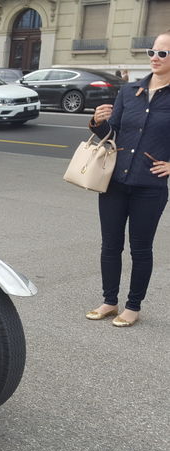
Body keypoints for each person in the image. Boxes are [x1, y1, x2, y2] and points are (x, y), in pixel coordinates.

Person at [85, 30, 170, 328]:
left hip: (150, 187)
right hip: (115, 182)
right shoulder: (128, 91)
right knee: (110, 245)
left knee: (141, 248)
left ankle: (133, 306)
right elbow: (113, 133)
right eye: (152, 52)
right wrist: (98, 121)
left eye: (163, 53)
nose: (155, 58)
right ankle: (110, 301)